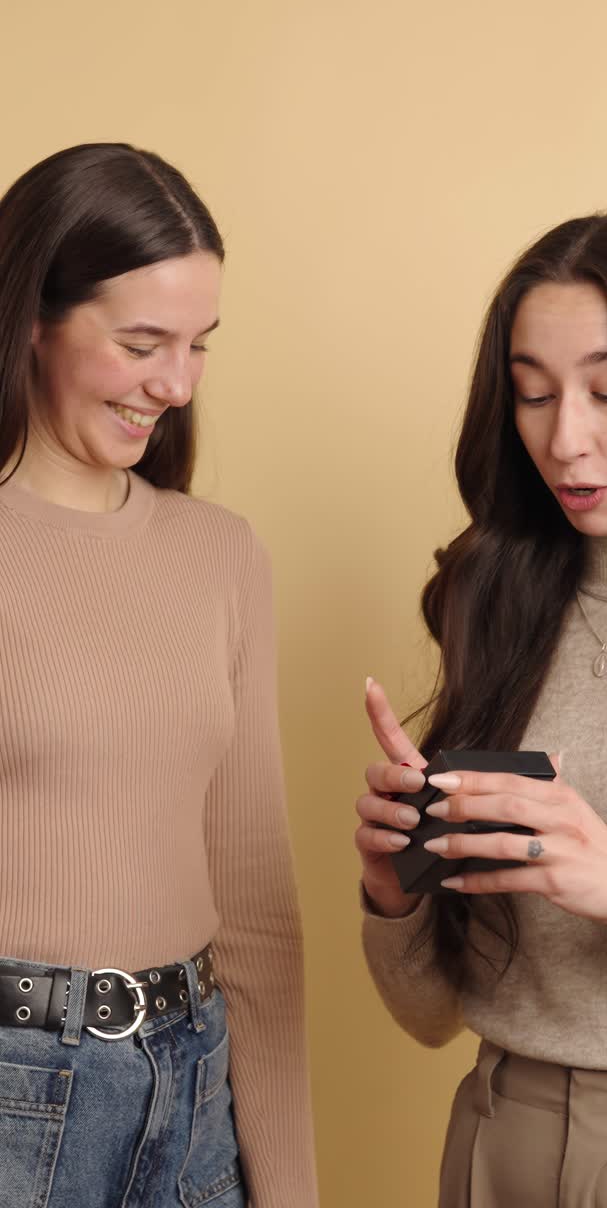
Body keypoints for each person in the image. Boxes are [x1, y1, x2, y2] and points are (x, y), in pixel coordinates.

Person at [356, 209, 607, 1207]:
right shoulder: (494, 596)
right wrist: (396, 891)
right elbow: (431, 1014)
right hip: (494, 1126)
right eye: (532, 394)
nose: (566, 438)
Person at [0, 142, 317, 1207]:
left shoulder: (219, 554)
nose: (175, 385)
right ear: (34, 318)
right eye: (142, 342)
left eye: (197, 345)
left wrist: (291, 1189)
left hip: (193, 1089)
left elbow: (261, 914)